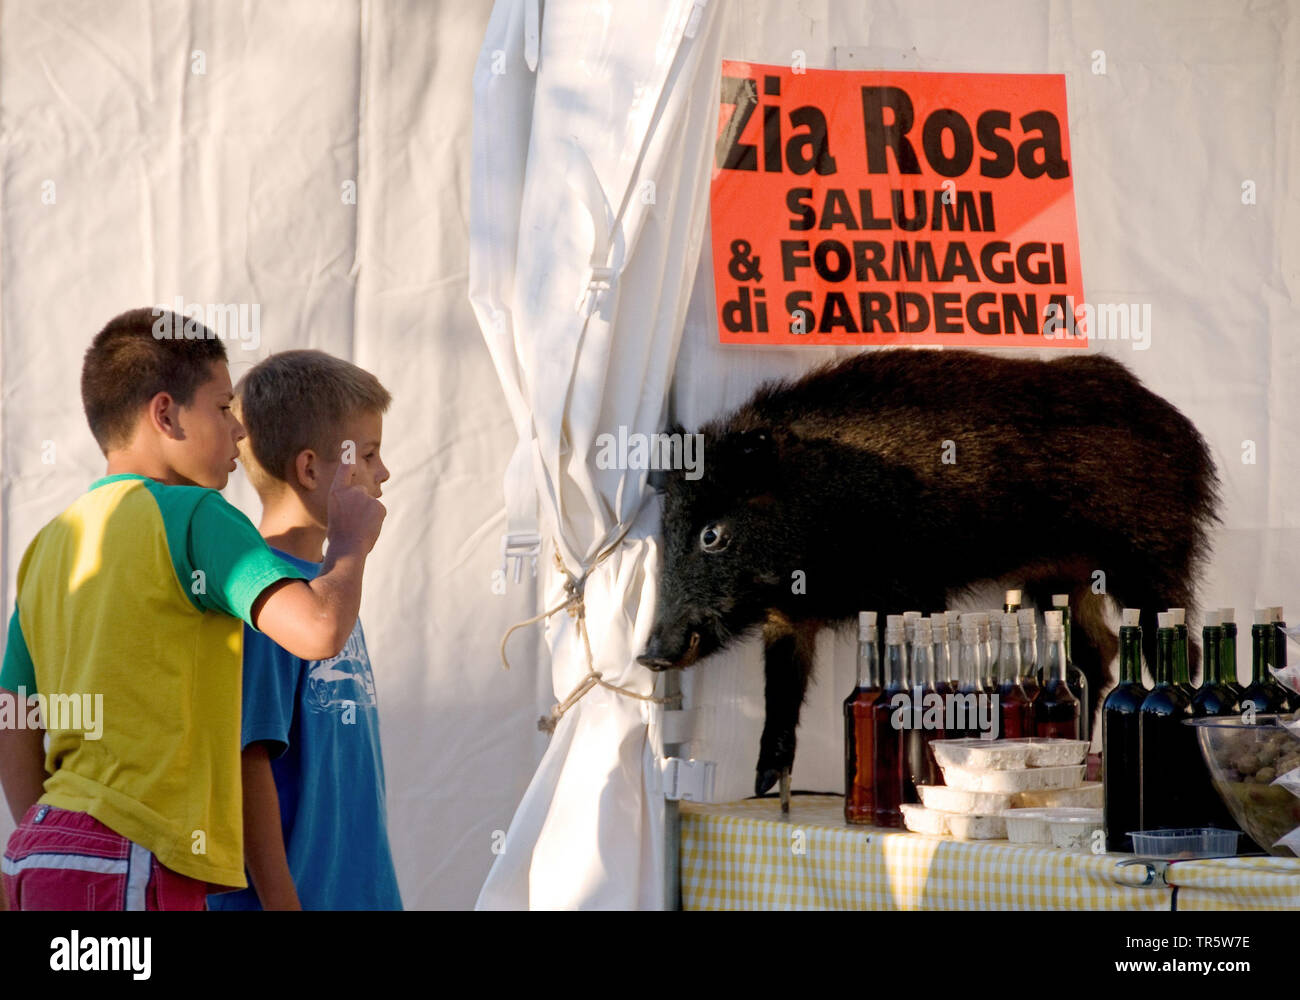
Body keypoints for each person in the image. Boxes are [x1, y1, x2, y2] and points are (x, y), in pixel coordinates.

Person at [0, 308, 384, 910]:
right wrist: (350, 546)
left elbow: (13, 718)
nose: (237, 431)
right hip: (135, 863)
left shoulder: (47, 546)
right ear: (164, 414)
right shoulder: (198, 517)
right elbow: (318, 629)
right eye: (222, 407)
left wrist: (58, 831)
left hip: (40, 860)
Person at [207, 350, 401, 910]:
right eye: (368, 454)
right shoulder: (267, 599)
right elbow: (248, 761)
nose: (383, 473)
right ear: (311, 468)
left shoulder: (328, 589)